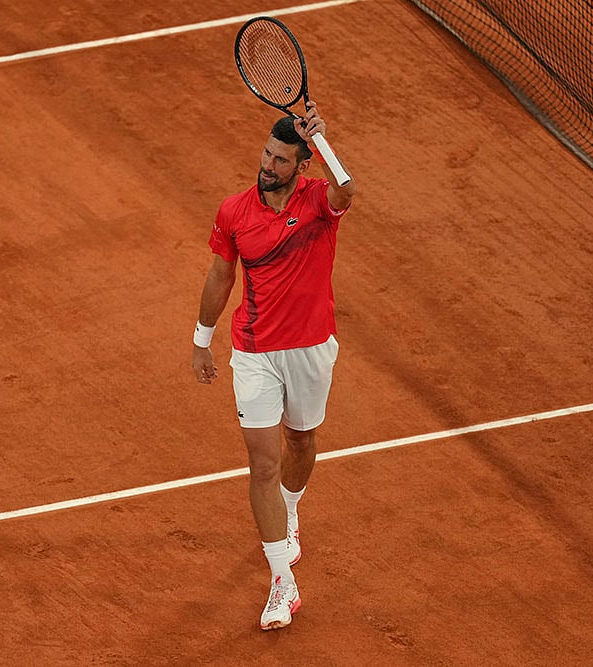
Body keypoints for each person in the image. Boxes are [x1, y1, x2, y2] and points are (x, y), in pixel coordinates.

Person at [190, 101, 355, 631]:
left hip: (310, 349)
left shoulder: (317, 203)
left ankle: (290, 509)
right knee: (262, 462)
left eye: (282, 159)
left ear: (302, 165)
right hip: (254, 352)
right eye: (267, 153)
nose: (269, 165)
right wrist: (202, 338)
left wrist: (324, 142)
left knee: (301, 443)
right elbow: (220, 276)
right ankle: (282, 581)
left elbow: (347, 192)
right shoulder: (234, 211)